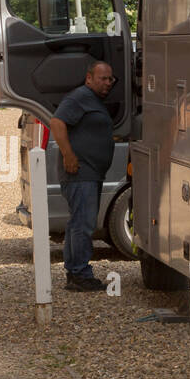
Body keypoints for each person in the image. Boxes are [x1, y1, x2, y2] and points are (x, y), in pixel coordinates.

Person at [49, 60, 116, 292]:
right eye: (102, 78)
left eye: (110, 79)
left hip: (91, 173)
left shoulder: (93, 100)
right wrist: (69, 155)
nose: (107, 83)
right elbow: (57, 122)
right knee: (83, 224)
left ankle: (75, 272)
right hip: (80, 174)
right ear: (89, 78)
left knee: (79, 223)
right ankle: (79, 274)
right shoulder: (79, 96)